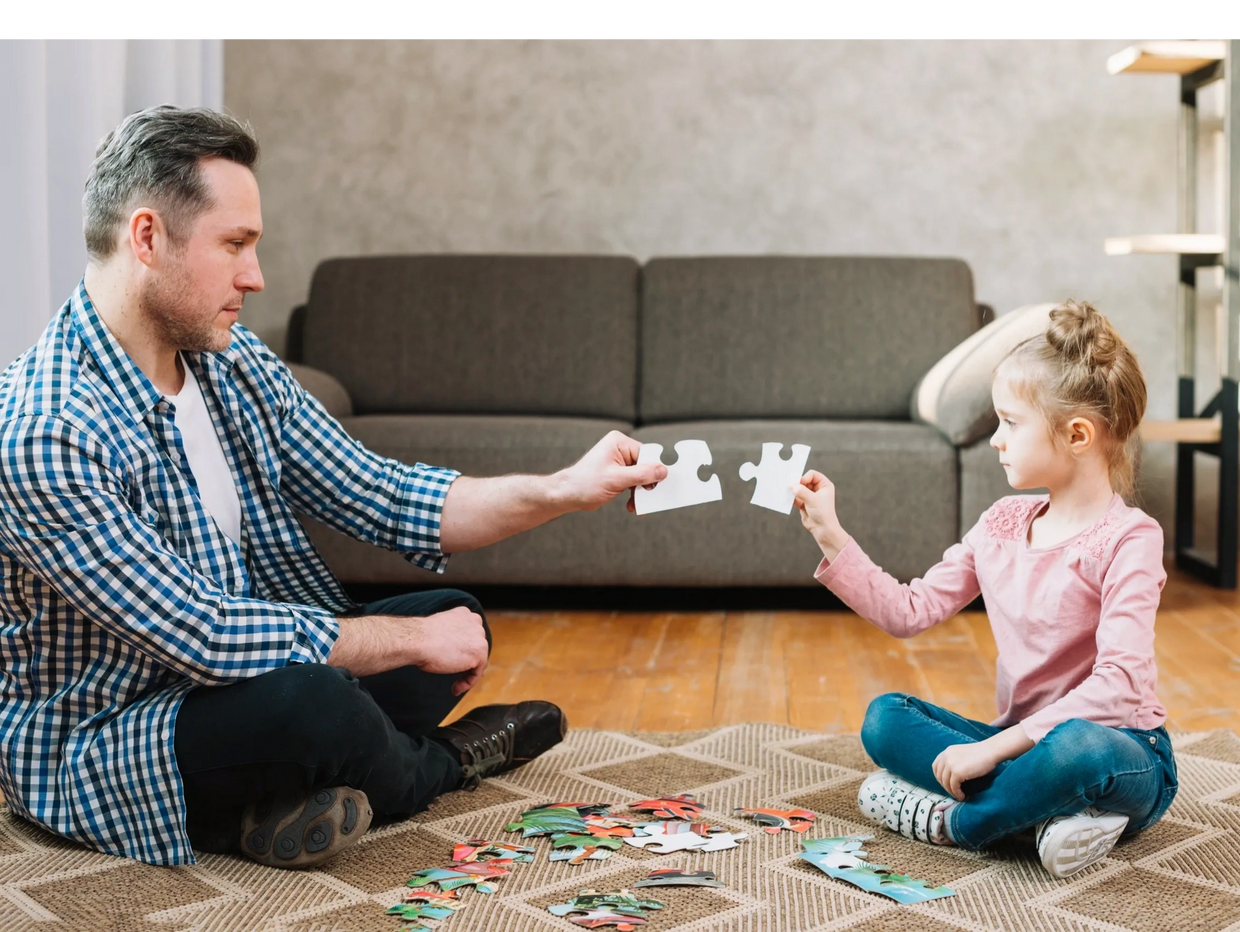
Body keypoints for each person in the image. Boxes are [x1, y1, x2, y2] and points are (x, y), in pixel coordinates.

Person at [0, 106, 666, 869]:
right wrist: (401, 643)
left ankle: (267, 806)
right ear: (147, 238)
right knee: (318, 701)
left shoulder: (230, 362)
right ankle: (437, 766)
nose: (255, 275)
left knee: (452, 622)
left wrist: (564, 489)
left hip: (241, 678)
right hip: (113, 735)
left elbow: (381, 495)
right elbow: (203, 635)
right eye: (235, 245)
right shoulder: (45, 431)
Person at [793, 301, 1178, 878]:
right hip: (1021, 749)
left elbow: (1120, 686)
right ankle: (1043, 817)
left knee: (1077, 748)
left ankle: (958, 823)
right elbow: (910, 610)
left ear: (1077, 434)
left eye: (1010, 422)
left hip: (1124, 756)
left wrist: (992, 751)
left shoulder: (1131, 539)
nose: (996, 440)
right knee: (884, 718)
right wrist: (831, 534)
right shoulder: (1001, 521)